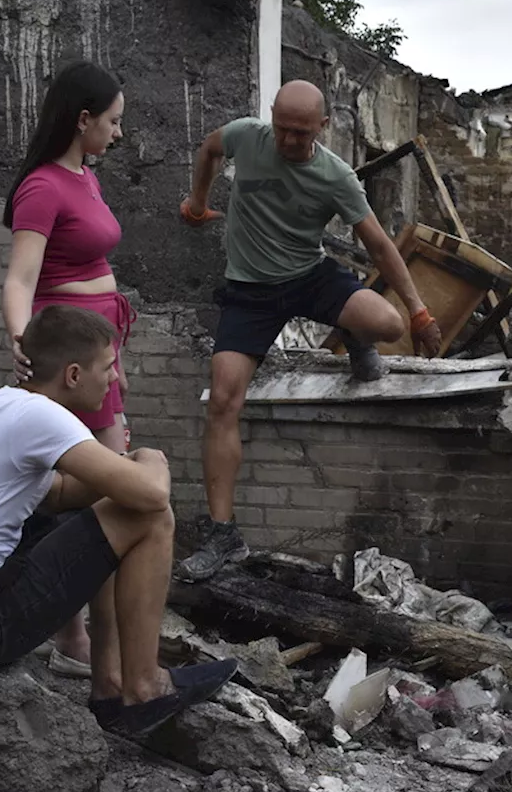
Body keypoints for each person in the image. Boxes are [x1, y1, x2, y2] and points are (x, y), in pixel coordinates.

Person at [0, 305, 238, 738]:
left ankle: (109, 688)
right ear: (74, 375)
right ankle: (142, 687)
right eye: (108, 367)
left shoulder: (3, 405)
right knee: (152, 518)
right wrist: (149, 461)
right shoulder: (41, 418)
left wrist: (119, 471)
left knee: (105, 509)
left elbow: (60, 495)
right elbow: (152, 495)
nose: (115, 378)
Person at [174, 80, 444, 583]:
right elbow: (209, 148)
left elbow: (382, 247)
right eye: (283, 130)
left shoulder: (335, 176)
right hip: (249, 291)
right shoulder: (246, 137)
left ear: (323, 128)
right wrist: (197, 201)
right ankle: (223, 535)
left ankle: (355, 336)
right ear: (270, 117)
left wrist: (419, 312)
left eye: (302, 133)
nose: (290, 142)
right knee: (223, 401)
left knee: (385, 323)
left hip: (308, 279)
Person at [0, 60, 136, 676]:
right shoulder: (43, 187)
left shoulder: (87, 178)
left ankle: (87, 636)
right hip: (70, 361)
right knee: (95, 491)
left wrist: (116, 360)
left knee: (103, 485)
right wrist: (22, 338)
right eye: (111, 121)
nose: (117, 133)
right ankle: (76, 638)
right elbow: (21, 276)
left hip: (99, 352)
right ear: (83, 119)